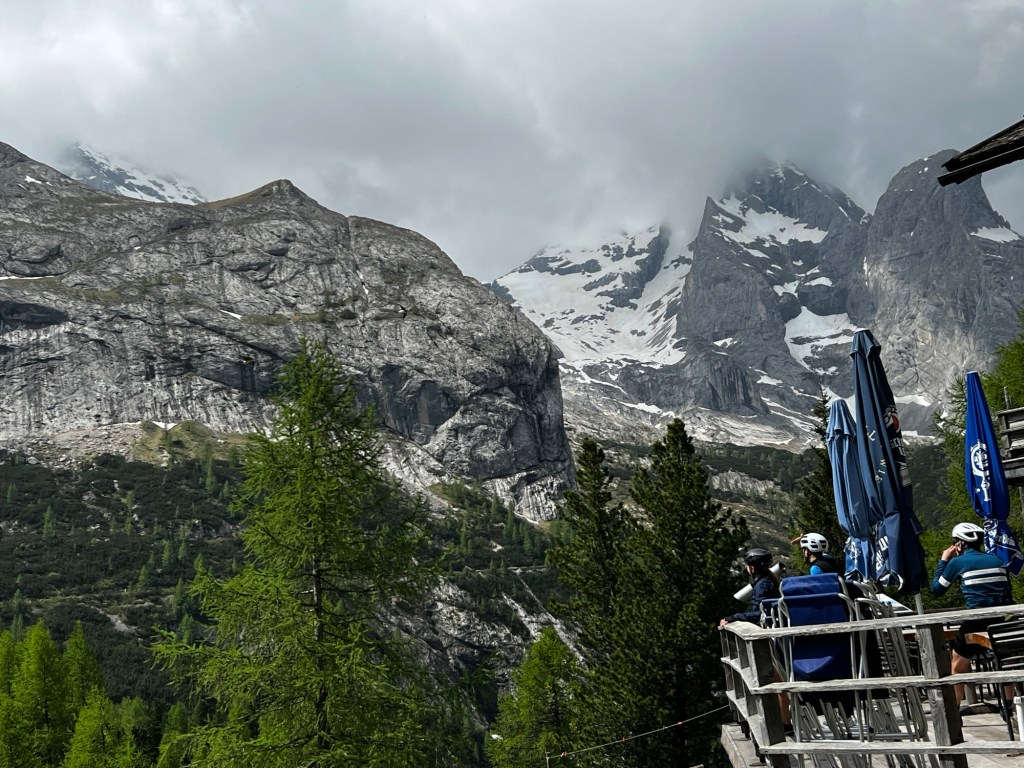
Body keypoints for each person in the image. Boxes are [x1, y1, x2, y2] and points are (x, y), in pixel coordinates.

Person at [930, 521, 1014, 708]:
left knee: (958, 660)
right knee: (1004, 659)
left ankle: (955, 709)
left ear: (959, 543)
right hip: (1002, 620)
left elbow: (936, 590)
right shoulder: (998, 560)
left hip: (976, 622)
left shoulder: (957, 562)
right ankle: (1009, 705)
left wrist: (944, 560)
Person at [720, 548, 780, 627]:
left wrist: (734, 617)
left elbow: (760, 613)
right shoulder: (769, 580)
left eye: (748, 564)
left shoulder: (762, 585)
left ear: (752, 567)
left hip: (766, 627)